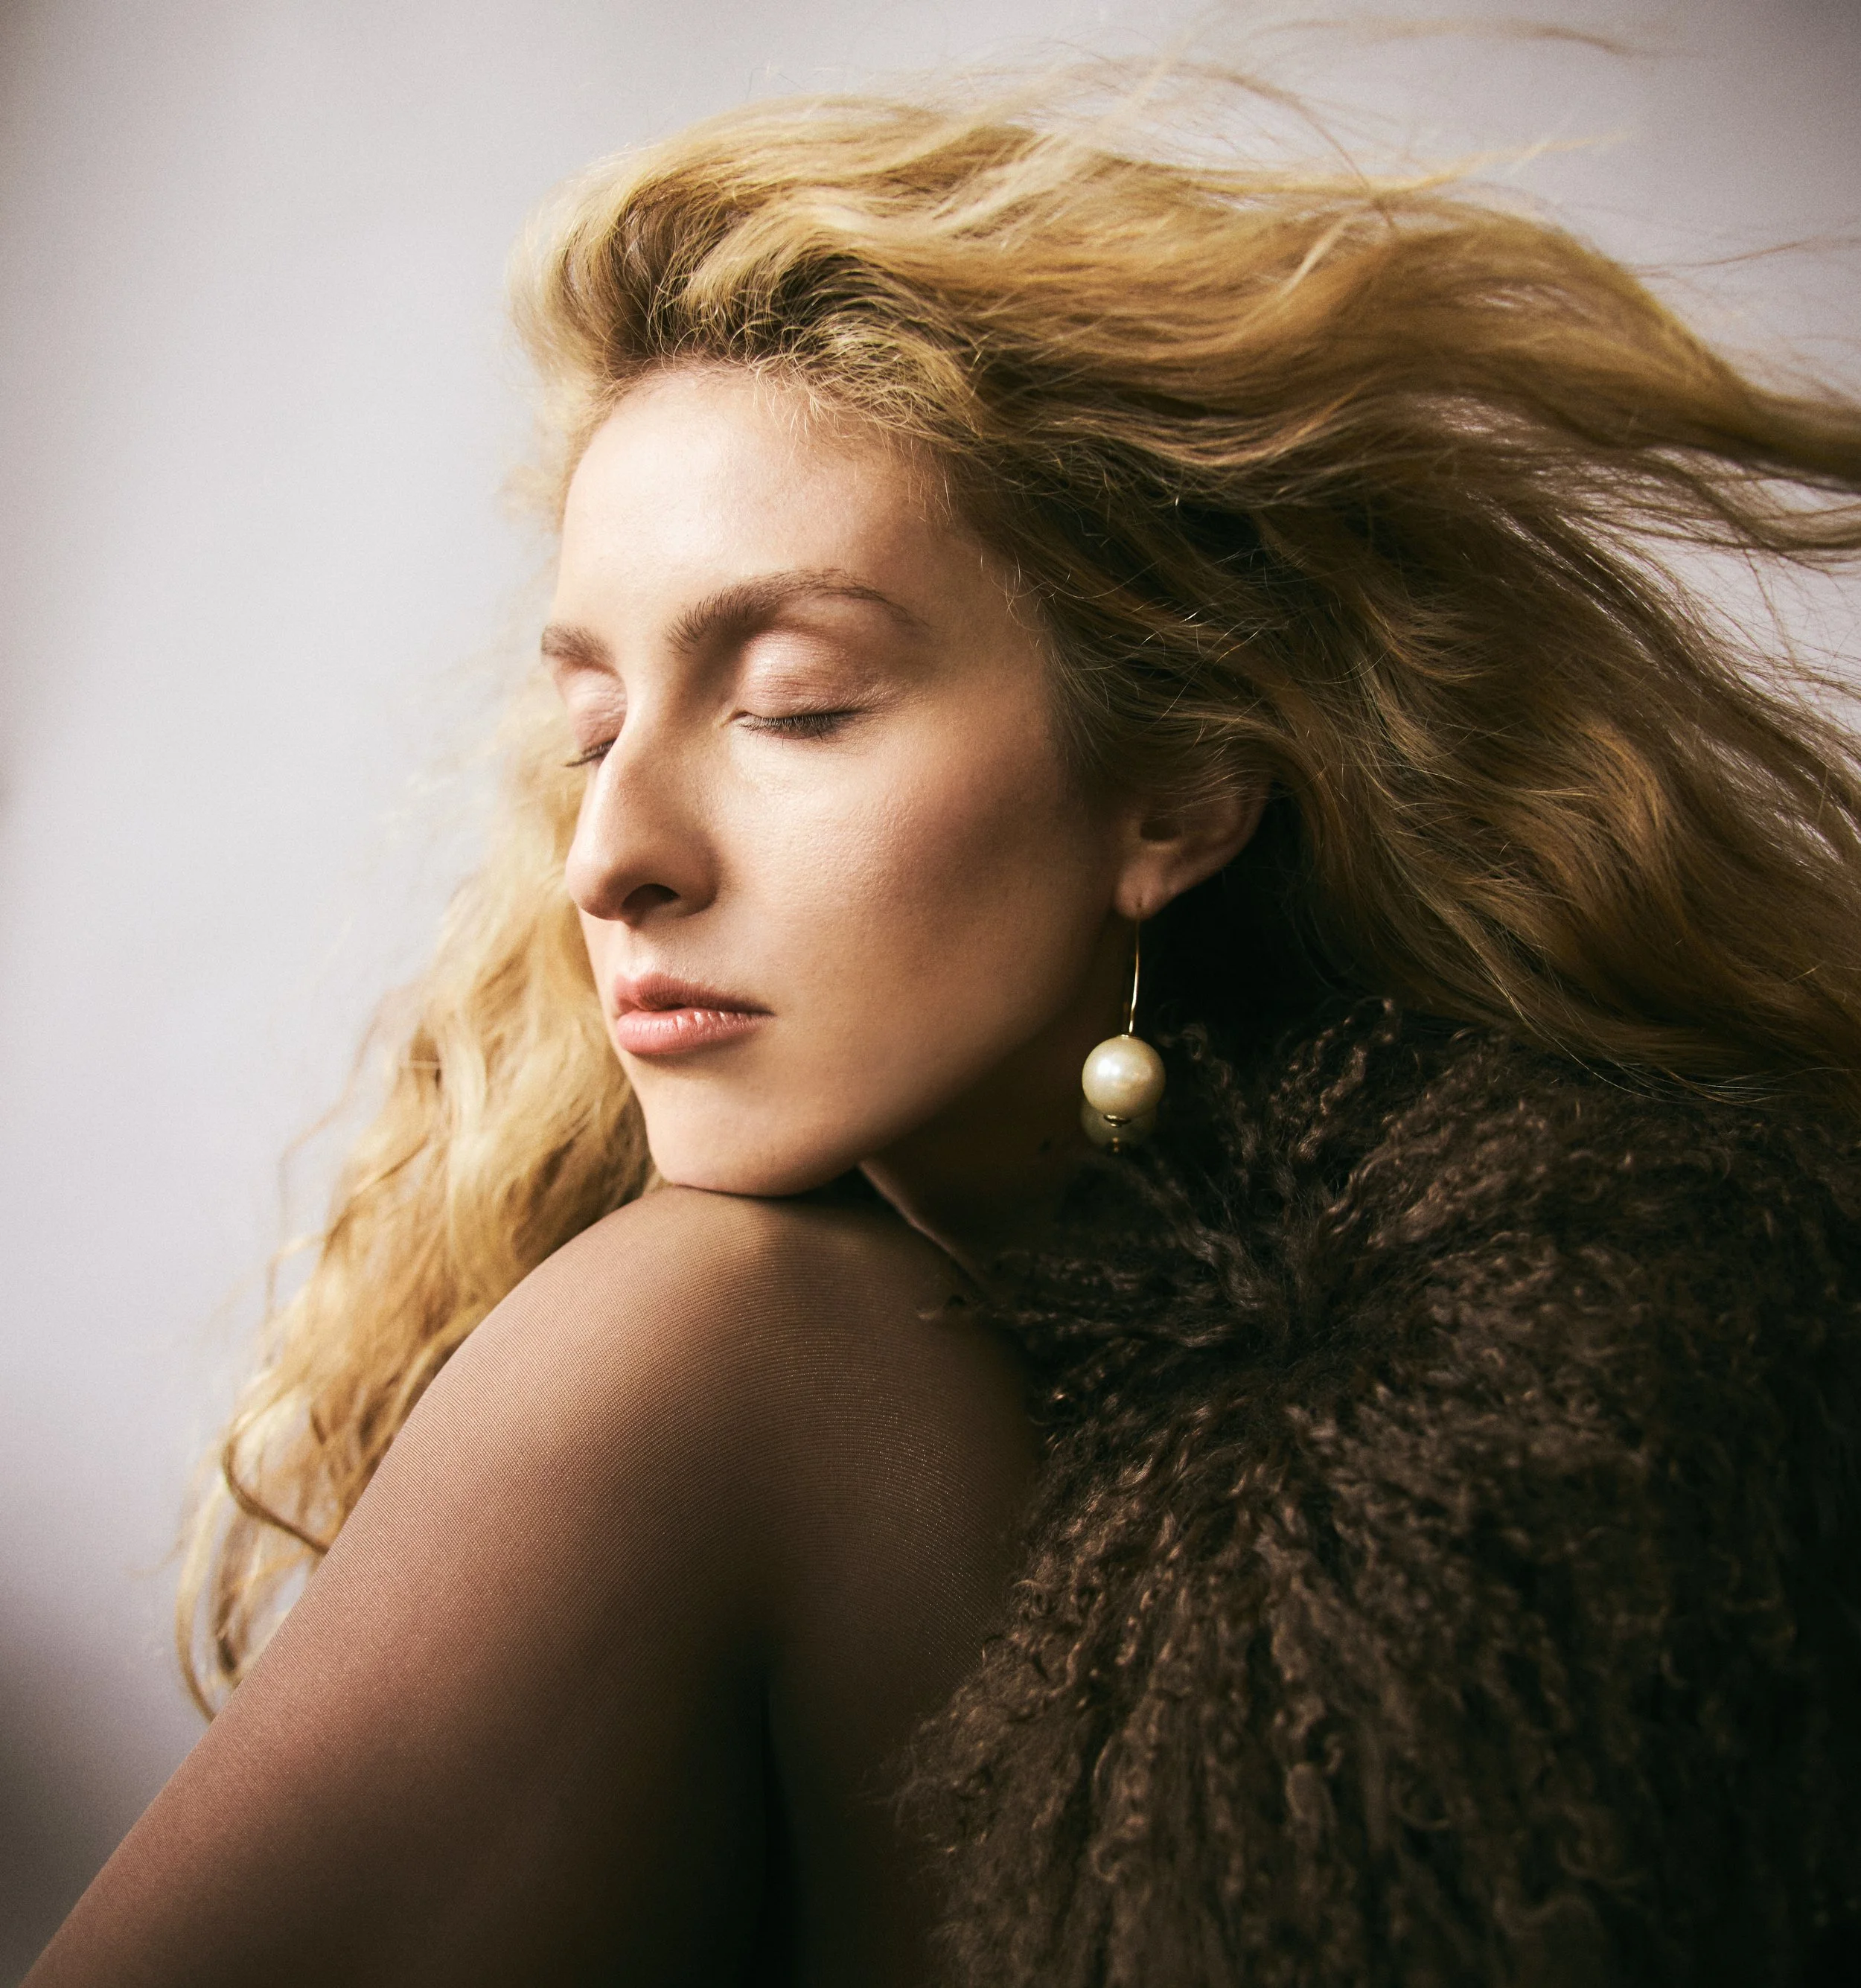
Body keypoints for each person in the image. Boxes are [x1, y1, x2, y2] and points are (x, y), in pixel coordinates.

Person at [27, 73, 1861, 1988]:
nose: (609, 854)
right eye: (589, 727)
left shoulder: (1531, 1419)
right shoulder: (766, 1351)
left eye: (794, 704)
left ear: (1176, 789)